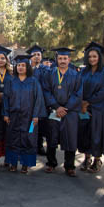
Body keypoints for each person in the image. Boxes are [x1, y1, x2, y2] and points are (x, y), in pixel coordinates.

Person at [43, 47, 83, 177]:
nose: (62, 61)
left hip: (70, 112)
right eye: (60, 58)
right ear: (57, 59)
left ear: (69, 59)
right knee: (52, 138)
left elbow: (78, 94)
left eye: (65, 58)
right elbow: (46, 91)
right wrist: (56, 106)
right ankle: (51, 163)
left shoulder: (76, 75)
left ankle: (70, 166)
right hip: (54, 111)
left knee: (70, 138)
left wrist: (66, 108)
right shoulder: (49, 74)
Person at [3, 54, 45, 173]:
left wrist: (36, 115)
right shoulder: (11, 81)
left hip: (31, 119)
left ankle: (26, 164)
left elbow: (39, 99)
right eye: (18, 65)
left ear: (28, 67)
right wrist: (6, 114)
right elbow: (6, 98)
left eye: (23, 65)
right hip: (13, 117)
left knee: (29, 138)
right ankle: (13, 163)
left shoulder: (33, 82)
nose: (20, 67)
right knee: (13, 138)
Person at [77, 42, 104, 173]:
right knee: (85, 134)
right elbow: (78, 87)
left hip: (99, 109)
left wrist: (89, 102)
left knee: (97, 135)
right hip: (84, 108)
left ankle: (97, 160)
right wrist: (81, 103)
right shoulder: (83, 72)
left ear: (99, 57)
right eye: (90, 56)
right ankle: (87, 158)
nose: (92, 59)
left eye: (95, 56)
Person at [27, 44, 49, 156]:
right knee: (31, 124)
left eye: (38, 54)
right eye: (34, 55)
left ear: (41, 56)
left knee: (40, 124)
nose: (36, 57)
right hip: (29, 102)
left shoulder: (46, 69)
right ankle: (31, 144)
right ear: (30, 57)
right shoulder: (26, 70)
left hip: (42, 102)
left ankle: (39, 145)